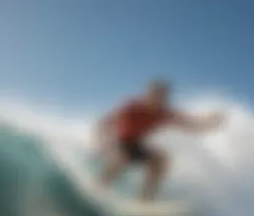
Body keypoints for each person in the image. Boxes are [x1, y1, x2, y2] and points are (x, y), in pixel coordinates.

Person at [94, 80, 224, 201]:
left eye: (162, 97)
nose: (158, 100)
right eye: (155, 95)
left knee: (161, 159)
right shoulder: (132, 106)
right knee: (123, 158)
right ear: (148, 94)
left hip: (135, 144)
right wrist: (102, 141)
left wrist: (210, 123)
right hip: (118, 141)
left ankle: (145, 199)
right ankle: (100, 187)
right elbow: (105, 122)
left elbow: (190, 124)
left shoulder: (163, 113)